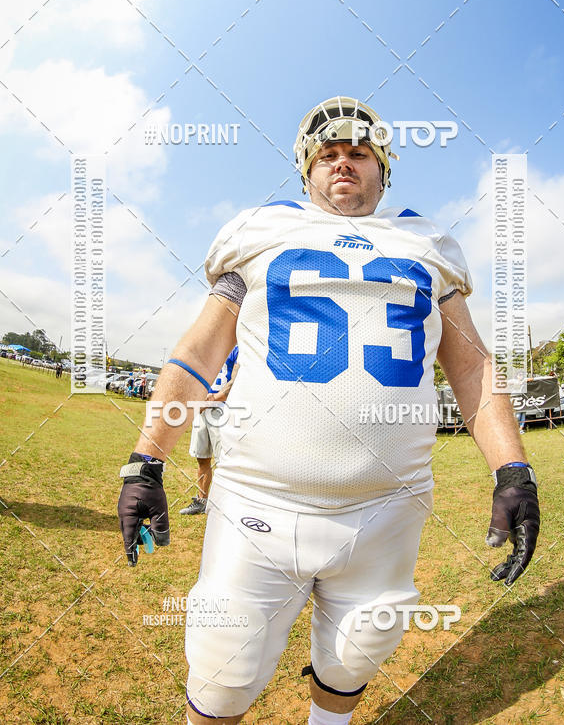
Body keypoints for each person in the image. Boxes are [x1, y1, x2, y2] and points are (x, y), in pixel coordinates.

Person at [118, 97, 540, 725]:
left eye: (359, 152)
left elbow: (473, 365)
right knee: (222, 671)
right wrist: (144, 463)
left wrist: (513, 471)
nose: (343, 162)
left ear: (384, 168)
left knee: (357, 656)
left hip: (387, 508)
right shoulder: (262, 232)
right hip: (260, 497)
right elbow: (199, 352)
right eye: (328, 153)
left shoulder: (426, 243)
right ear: (306, 170)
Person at [179, 347, 239, 516]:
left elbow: (235, 381)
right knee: (202, 458)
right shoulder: (210, 345)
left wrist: (213, 398)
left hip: (222, 409)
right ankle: (202, 501)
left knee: (224, 461)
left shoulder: (237, 348)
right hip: (202, 407)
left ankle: (225, 505)